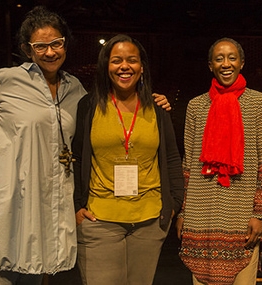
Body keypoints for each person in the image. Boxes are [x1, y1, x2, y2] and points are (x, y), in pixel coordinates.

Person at [0, 6, 84, 284]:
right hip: (12, 197)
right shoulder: (6, 80)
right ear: (27, 49)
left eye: (56, 43)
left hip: (48, 200)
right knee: (2, 269)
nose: (50, 52)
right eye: (40, 46)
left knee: (37, 269)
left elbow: (100, 121)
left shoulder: (75, 87)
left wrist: (146, 101)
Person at [71, 34, 184, 285]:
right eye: (116, 61)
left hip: (149, 220)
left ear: (141, 67)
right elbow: (77, 158)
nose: (124, 66)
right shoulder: (89, 106)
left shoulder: (157, 108)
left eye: (131, 60)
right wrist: (77, 206)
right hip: (99, 219)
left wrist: (174, 202)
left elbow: (172, 158)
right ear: (106, 67)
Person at [175, 37, 262, 285]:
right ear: (210, 65)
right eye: (219, 59)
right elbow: (188, 166)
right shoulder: (196, 106)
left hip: (242, 216)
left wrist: (259, 214)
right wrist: (183, 212)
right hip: (201, 216)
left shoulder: (259, 103)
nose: (226, 63)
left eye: (232, 57)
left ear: (241, 62)